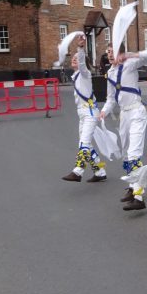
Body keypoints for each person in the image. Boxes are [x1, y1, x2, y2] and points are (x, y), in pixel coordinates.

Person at [99, 49, 147, 210]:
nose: (109, 54)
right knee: (126, 153)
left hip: (136, 111)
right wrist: (104, 112)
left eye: (112, 51)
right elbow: (110, 98)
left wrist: (130, 55)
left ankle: (138, 195)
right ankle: (132, 186)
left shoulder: (130, 64)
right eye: (107, 51)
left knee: (134, 153)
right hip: (124, 114)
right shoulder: (110, 73)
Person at [62, 33, 107, 183]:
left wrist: (81, 48)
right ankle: (99, 171)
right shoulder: (76, 77)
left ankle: (78, 171)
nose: (74, 60)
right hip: (82, 113)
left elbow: (81, 63)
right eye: (73, 59)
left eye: (77, 59)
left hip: (89, 112)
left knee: (84, 143)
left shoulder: (85, 74)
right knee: (85, 143)